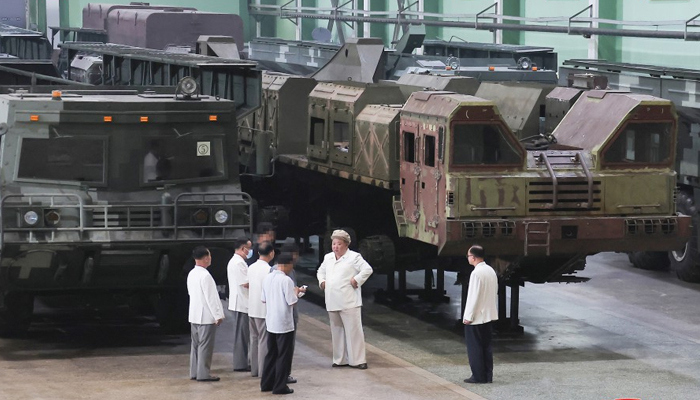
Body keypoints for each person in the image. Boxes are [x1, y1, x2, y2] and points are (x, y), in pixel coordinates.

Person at [317, 229, 373, 369]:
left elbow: (367, 269)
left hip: (349, 301)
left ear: (346, 245)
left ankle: (358, 360)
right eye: (334, 244)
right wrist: (322, 281)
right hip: (332, 300)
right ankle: (339, 359)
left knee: (353, 331)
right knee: (337, 331)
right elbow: (320, 271)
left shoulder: (354, 257)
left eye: (339, 244)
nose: (336, 247)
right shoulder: (328, 258)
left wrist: (357, 280)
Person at [260, 253, 299, 395]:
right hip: (284, 323)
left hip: (270, 321)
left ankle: (266, 383)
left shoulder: (267, 278)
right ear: (287, 265)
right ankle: (280, 386)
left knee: (271, 353)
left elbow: (263, 299)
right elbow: (292, 302)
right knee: (284, 355)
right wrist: (297, 292)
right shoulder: (286, 280)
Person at [187, 246, 225, 382]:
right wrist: (218, 315)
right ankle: (203, 374)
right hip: (206, 316)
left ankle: (195, 372)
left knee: (195, 345)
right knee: (205, 346)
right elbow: (211, 298)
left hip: (194, 314)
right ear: (206, 258)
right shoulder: (205, 275)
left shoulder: (191, 273)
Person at [462, 244, 498, 384]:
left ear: (474, 257)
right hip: (488, 315)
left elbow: (473, 297)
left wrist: (468, 317)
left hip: (477, 317)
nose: (468, 258)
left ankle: (478, 376)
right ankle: (488, 376)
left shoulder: (476, 273)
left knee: (475, 347)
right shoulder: (490, 270)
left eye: (468, 256)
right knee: (486, 347)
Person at [248, 241, 275, 378]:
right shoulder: (269, 270)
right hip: (264, 310)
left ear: (258, 253)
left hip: (251, 308)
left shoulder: (251, 267)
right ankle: (264, 371)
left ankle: (254, 369)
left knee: (254, 340)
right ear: (272, 253)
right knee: (264, 340)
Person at [227, 237, 252, 371]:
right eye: (249, 248)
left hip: (241, 302)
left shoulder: (237, 261)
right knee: (241, 336)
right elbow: (245, 283)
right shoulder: (238, 263)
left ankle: (242, 362)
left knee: (243, 335)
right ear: (243, 249)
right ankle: (240, 364)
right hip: (241, 304)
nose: (250, 252)